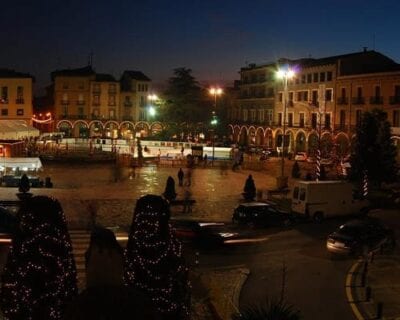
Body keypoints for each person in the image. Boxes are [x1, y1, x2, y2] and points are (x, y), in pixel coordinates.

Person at [124, 195, 190, 319]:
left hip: (140, 307)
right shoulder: (171, 243)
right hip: (167, 308)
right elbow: (180, 275)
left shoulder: (136, 243)